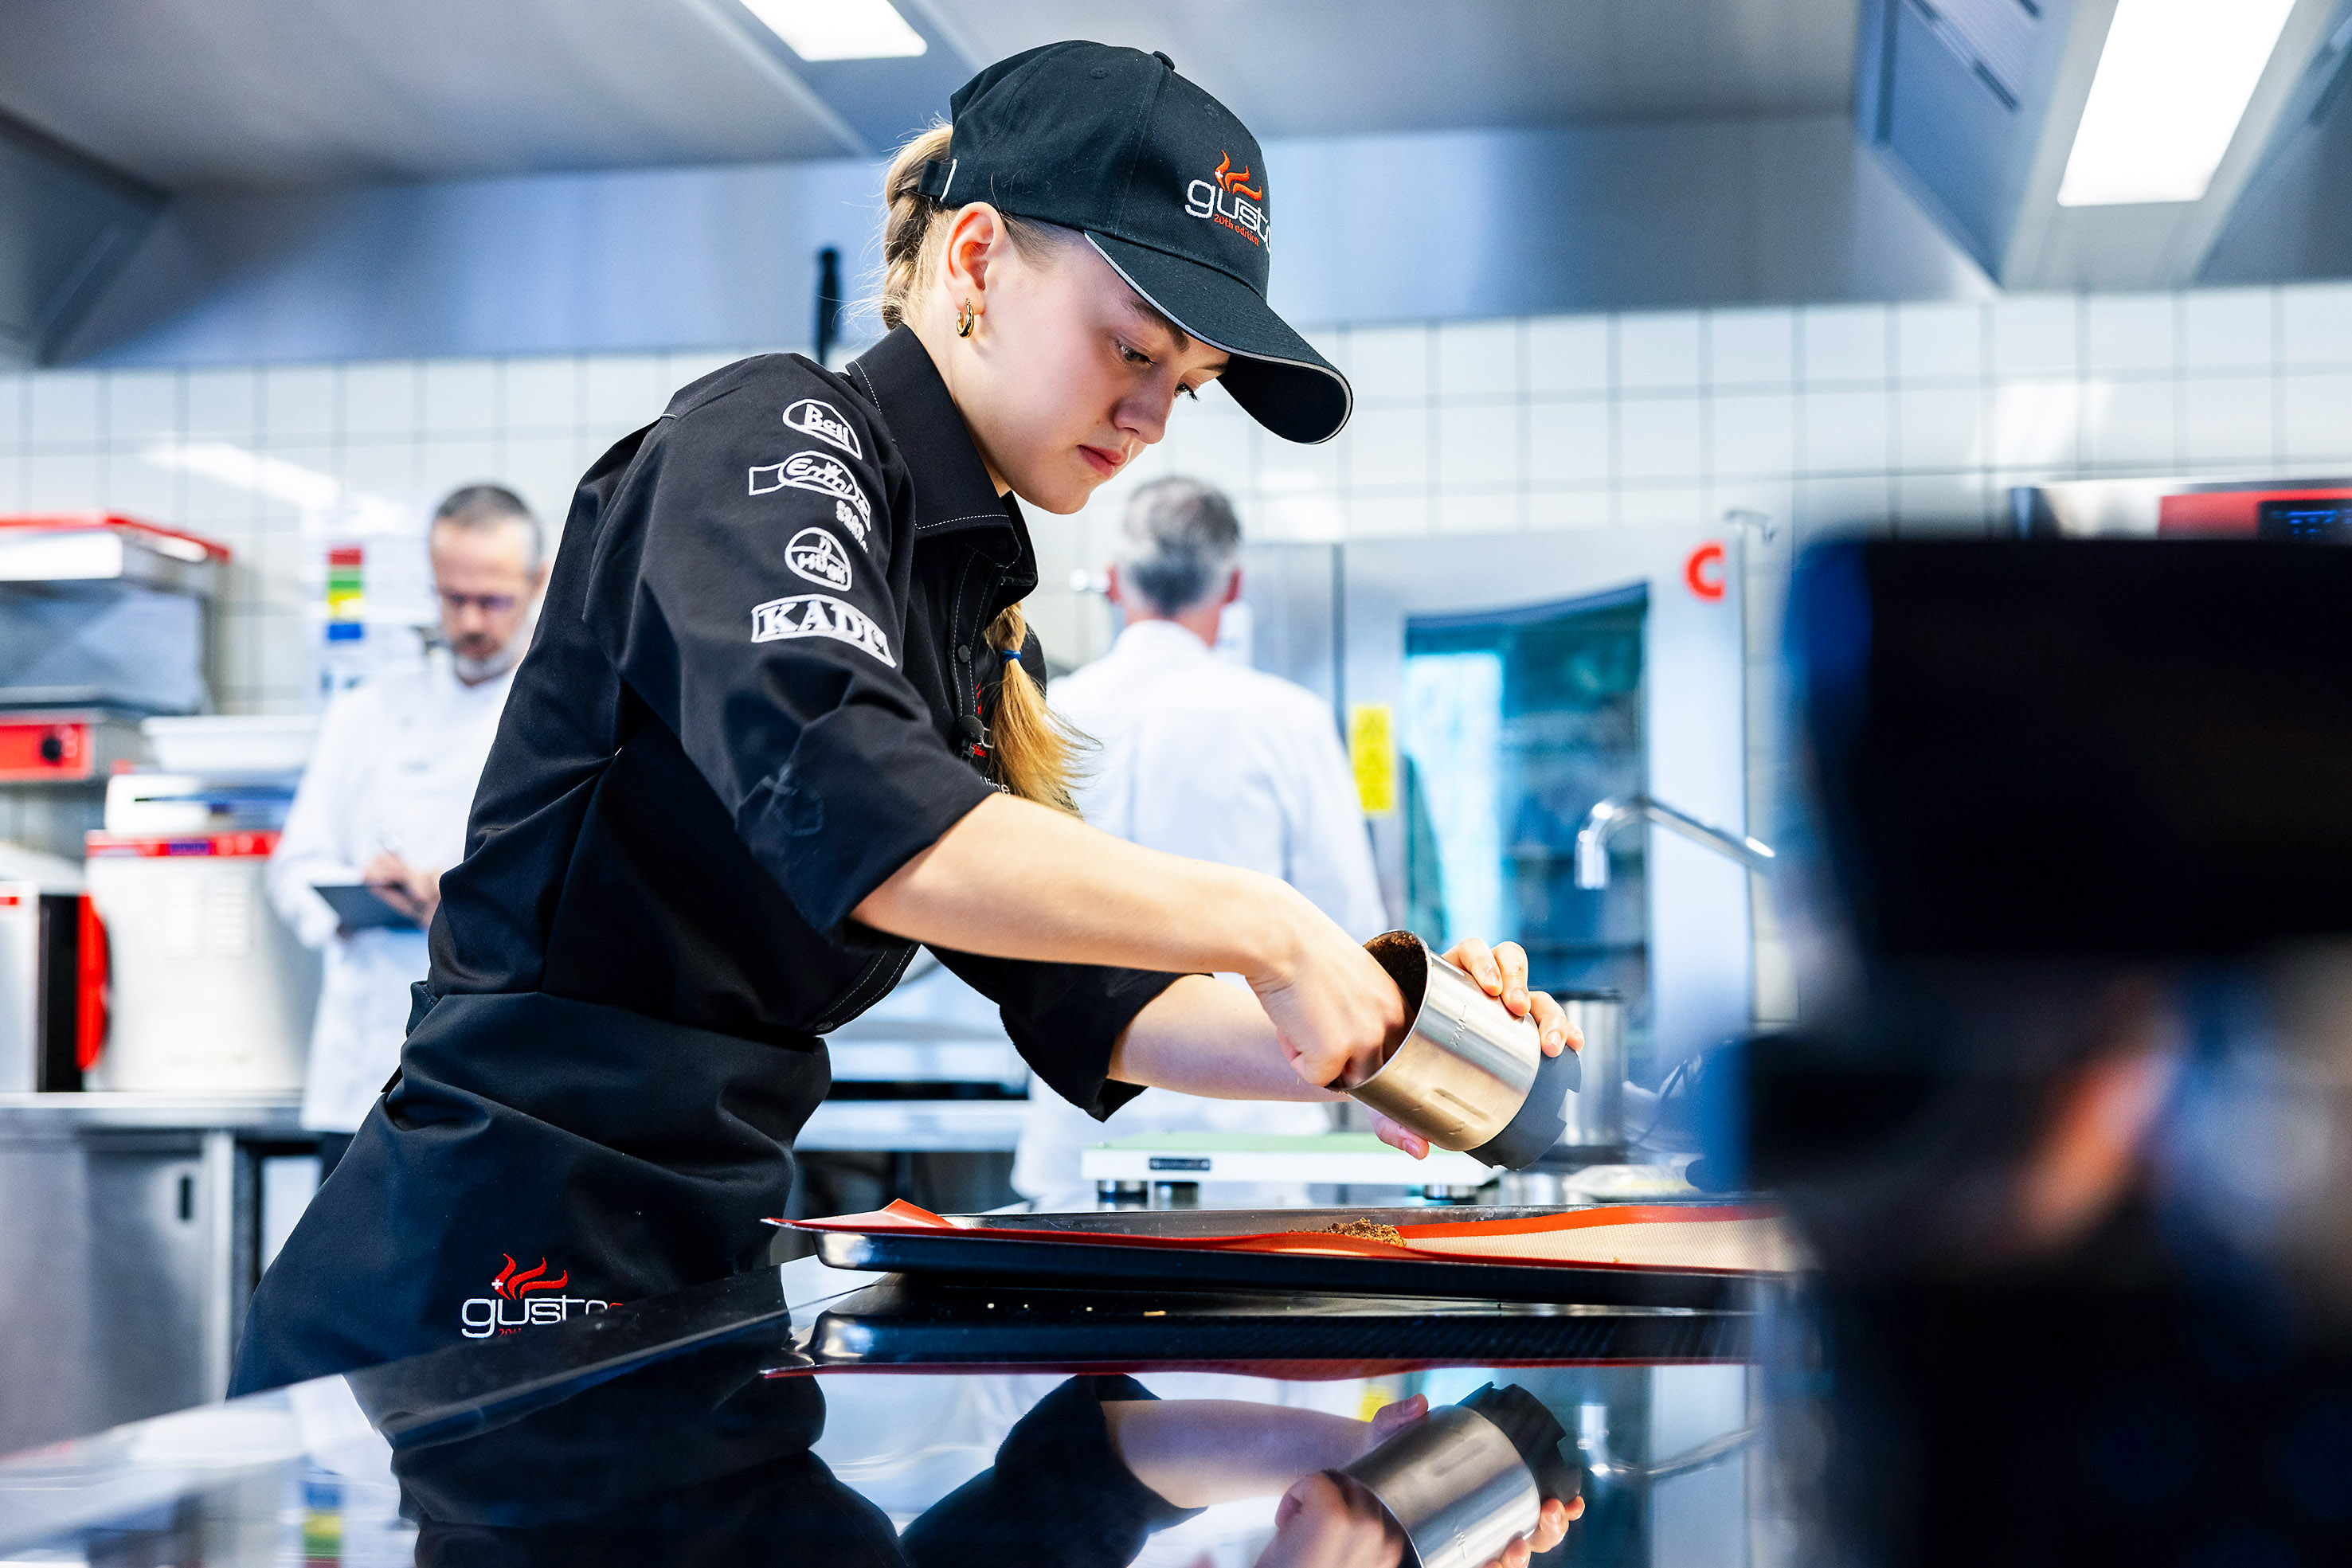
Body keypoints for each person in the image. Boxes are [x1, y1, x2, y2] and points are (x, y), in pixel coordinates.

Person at [235, 44, 1579, 1443]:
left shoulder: (977, 623)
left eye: (1184, 382)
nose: (1148, 417)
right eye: (1132, 348)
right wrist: (1269, 923)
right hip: (478, 1277)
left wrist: (1388, 1029)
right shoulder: (768, 433)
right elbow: (847, 794)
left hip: (691, 1254)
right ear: (976, 260)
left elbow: (1095, 997)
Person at [1013, 476, 1387, 1199]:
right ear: (1234, 585)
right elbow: (1353, 936)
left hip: (1083, 1131)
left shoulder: (1048, 711)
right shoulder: (1287, 721)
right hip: (1252, 1137)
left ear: (1115, 582)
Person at [266, 485, 546, 1175]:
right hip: (358, 1073)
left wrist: (457, 903)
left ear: (538, 582)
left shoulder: (554, 719)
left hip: (494, 1076)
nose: (472, 621)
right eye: (454, 598)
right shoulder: (369, 711)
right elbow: (292, 865)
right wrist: (354, 891)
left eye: (493, 600)